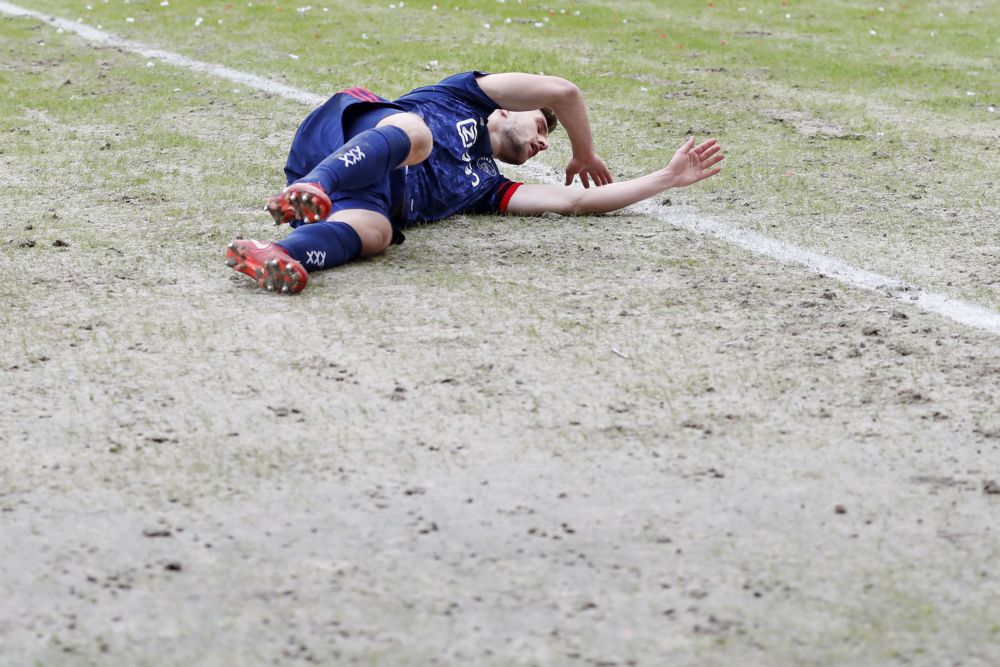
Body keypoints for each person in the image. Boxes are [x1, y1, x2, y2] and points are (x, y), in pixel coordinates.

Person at [225, 71, 724, 293]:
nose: (543, 141)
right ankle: (313, 186)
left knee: (376, 235)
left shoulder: (489, 185)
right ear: (507, 108)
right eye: (542, 127)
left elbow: (573, 201)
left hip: (377, 193)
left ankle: (280, 251)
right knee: (416, 133)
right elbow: (563, 90)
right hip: (351, 135)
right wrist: (584, 151)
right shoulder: (462, 96)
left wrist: (665, 178)